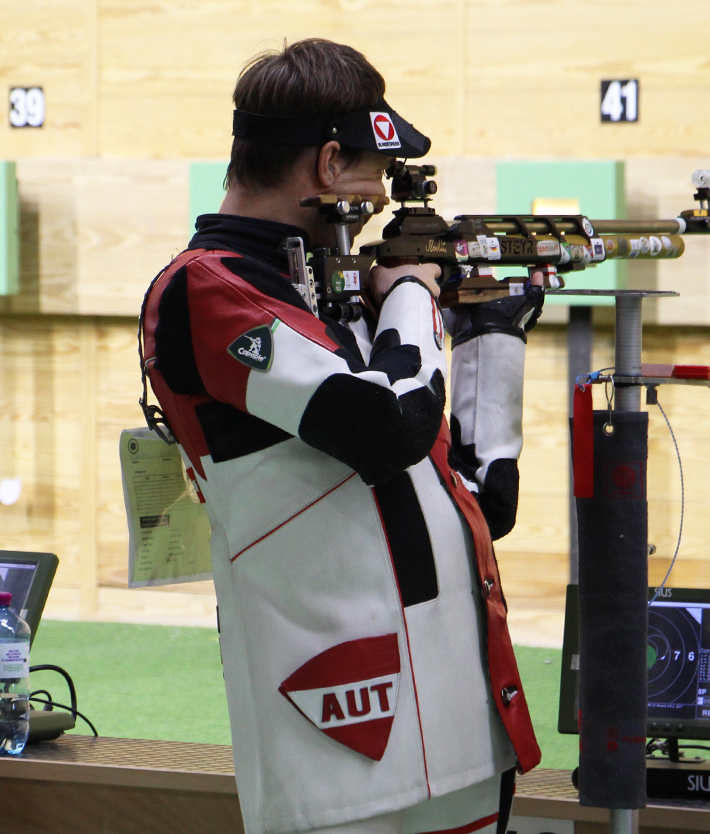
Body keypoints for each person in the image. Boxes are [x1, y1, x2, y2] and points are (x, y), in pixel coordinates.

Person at [139, 40, 545, 834]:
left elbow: (476, 502)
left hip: (462, 727)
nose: (384, 199)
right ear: (328, 164)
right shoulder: (207, 287)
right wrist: (415, 303)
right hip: (338, 745)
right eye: (376, 174)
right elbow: (387, 426)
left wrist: (493, 337)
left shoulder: (335, 292)